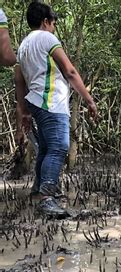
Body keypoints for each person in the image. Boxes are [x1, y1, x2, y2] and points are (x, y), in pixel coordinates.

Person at [15, 1, 98, 217]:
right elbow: (69, 71)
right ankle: (46, 199)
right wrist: (88, 100)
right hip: (51, 102)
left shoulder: (23, 45)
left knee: (45, 147)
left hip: (35, 101)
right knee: (59, 147)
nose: (53, 28)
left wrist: (23, 110)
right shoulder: (47, 38)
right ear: (45, 22)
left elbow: (19, 80)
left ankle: (38, 190)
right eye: (53, 24)